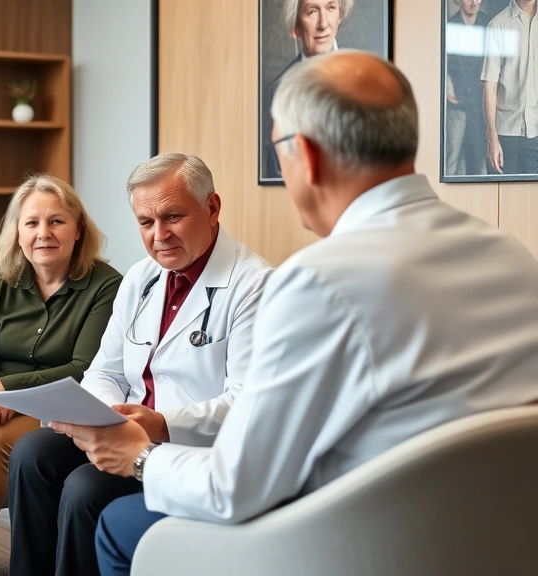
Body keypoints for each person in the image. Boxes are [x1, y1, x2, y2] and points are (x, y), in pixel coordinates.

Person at [49, 51, 538, 576]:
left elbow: (237, 486)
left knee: (120, 525)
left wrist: (140, 457)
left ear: (303, 154)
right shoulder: (511, 257)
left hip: (358, 545)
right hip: (495, 541)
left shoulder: (315, 282)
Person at [7, 154, 272, 576]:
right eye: (146, 223)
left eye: (172, 217)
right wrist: (101, 413)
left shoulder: (254, 286)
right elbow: (104, 371)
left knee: (84, 488)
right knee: (32, 453)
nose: (159, 235)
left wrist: (159, 423)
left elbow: (248, 402)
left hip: (187, 450)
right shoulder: (140, 278)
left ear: (212, 207)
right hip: (124, 427)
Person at [0, 174, 122, 576]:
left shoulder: (105, 285)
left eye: (56, 221)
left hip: (48, 396)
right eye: (31, 223)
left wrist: (8, 392)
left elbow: (83, 369)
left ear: (78, 229)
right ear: (18, 231)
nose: (43, 233)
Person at [264, 0, 354, 179]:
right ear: (295, 27)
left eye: (330, 8)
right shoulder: (278, 90)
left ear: (340, 13)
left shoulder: (364, 78)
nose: (323, 24)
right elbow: (275, 174)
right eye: (312, 11)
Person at [481, 0, 538, 175]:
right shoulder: (498, 25)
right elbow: (489, 85)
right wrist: (492, 139)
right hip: (505, 137)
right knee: (502, 200)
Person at [445, 0, 491, 176]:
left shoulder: (488, 25)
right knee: (453, 157)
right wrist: (448, 91)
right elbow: (443, 65)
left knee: (480, 159)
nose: (474, 2)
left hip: (481, 106)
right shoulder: (450, 26)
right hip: (457, 105)